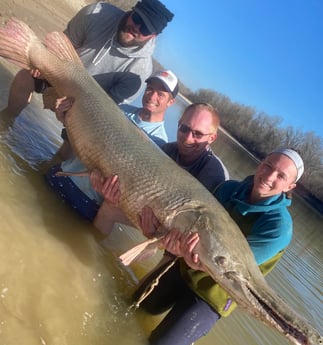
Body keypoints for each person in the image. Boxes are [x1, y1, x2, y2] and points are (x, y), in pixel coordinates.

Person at [132, 148, 304, 345]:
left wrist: (194, 259)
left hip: (216, 292)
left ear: (291, 186)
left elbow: (233, 269)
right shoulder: (228, 189)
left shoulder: (279, 227)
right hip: (186, 266)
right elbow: (191, 226)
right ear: (261, 163)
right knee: (136, 306)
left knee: (161, 343)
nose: (269, 176)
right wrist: (167, 240)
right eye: (268, 166)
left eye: (281, 176)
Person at [1, 0, 174, 155]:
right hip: (60, 74)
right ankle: (8, 120)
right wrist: (43, 66)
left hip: (85, 107)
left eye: (145, 29)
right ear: (132, 10)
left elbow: (106, 111)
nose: (137, 27)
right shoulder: (97, 13)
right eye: (137, 19)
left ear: (153, 36)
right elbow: (60, 45)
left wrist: (69, 111)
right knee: (25, 77)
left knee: (71, 151)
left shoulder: (140, 71)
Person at [45, 69, 179, 222]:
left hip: (86, 201)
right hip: (61, 172)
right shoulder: (119, 110)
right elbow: (83, 135)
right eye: (150, 89)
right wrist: (63, 116)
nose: (152, 96)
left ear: (170, 102)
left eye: (161, 94)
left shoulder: (160, 145)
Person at [90, 102, 229, 235]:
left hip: (184, 236)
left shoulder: (215, 173)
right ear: (179, 123)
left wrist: (158, 234)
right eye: (184, 128)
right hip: (156, 213)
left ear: (212, 138)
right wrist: (111, 193)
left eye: (198, 134)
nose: (188, 138)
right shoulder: (166, 150)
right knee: (109, 208)